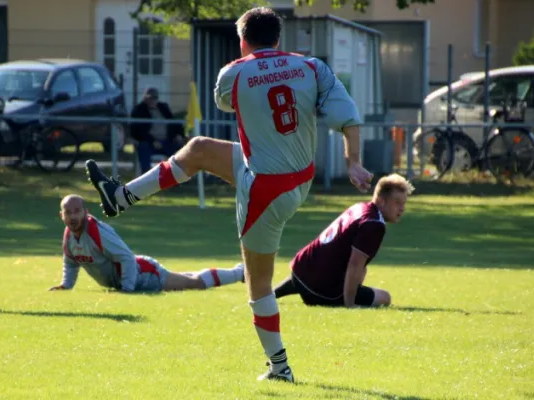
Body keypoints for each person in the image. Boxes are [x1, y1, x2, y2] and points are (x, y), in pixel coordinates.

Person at [85, 7, 372, 382]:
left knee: (258, 285)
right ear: (279, 39)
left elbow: (226, 100)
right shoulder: (312, 67)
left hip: (264, 188)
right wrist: (353, 163)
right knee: (199, 149)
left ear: (242, 40)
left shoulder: (233, 72)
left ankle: (280, 368)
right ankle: (120, 196)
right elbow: (348, 117)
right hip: (296, 176)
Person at [50, 195, 244, 293]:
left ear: (85, 211)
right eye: (68, 212)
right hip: (134, 276)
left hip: (143, 273)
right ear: (61, 215)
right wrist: (66, 285)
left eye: (77, 211)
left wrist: (127, 288)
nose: (73, 216)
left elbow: (126, 257)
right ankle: (240, 272)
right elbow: (71, 262)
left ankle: (240, 273)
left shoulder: (96, 231)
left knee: (194, 283)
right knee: (188, 278)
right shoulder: (70, 236)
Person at [273, 174, 414, 308]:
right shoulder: (373, 223)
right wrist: (350, 304)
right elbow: (355, 264)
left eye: (404, 203)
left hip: (300, 271)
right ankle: (345, 297)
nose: (402, 208)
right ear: (382, 200)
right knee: (385, 298)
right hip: (320, 291)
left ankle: (272, 294)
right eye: (397, 202)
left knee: (362, 270)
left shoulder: (360, 207)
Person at [130, 87, 186, 174]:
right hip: (148, 143)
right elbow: (138, 131)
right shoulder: (139, 110)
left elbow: (173, 122)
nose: (152, 101)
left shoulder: (163, 107)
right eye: (150, 98)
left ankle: (178, 176)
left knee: (181, 149)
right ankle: (146, 177)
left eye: (154, 98)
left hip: (166, 141)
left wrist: (179, 134)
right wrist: (152, 141)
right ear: (145, 98)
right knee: (143, 148)